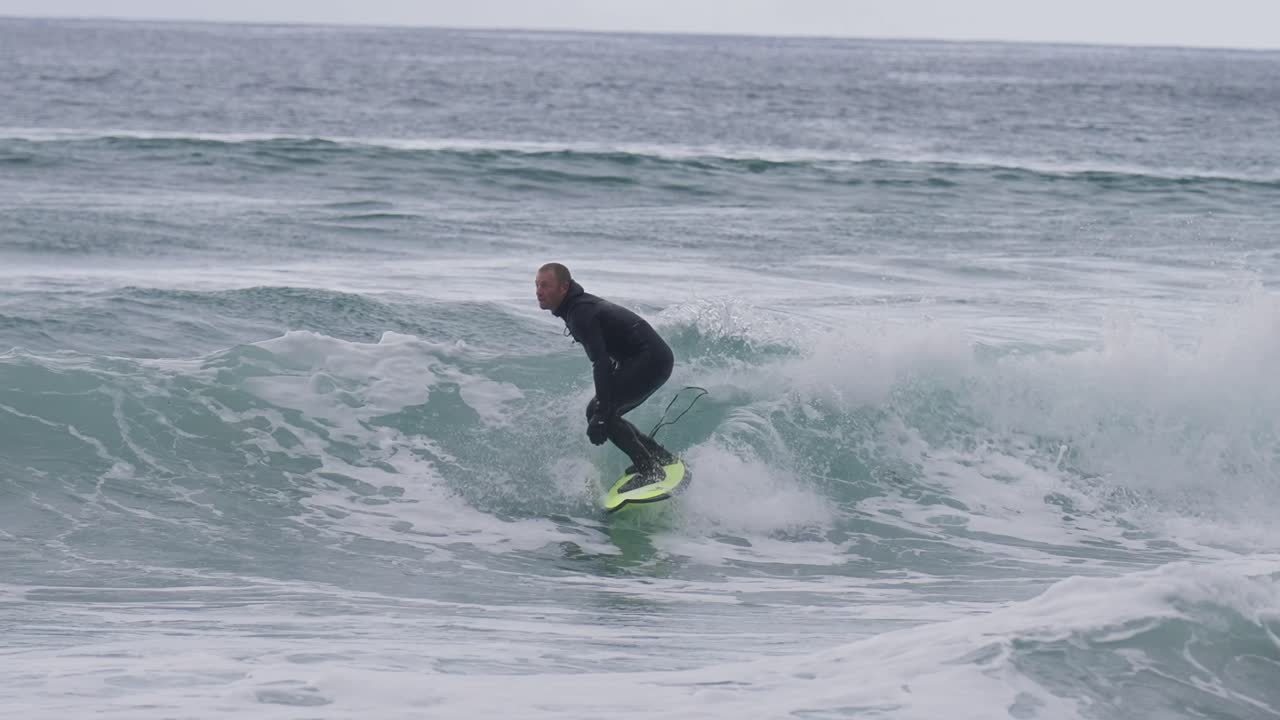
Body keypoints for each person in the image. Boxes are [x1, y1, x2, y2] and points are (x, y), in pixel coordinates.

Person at [536, 262, 677, 480]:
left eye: (545, 286)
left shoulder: (579, 313)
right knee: (604, 411)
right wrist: (604, 408)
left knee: (599, 412)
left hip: (650, 359)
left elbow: (600, 362)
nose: (538, 291)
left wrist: (602, 412)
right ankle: (659, 457)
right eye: (537, 285)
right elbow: (608, 357)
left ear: (563, 288)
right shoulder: (576, 307)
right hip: (649, 358)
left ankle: (649, 469)